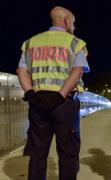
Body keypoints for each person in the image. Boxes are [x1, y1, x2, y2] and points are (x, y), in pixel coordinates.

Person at [16, 6, 90, 180]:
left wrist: (30, 92)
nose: (74, 27)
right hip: (63, 104)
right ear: (65, 20)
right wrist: (61, 94)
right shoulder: (74, 42)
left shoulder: (31, 42)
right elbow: (77, 70)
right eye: (73, 22)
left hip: (38, 103)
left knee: (37, 154)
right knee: (67, 153)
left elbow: (21, 71)